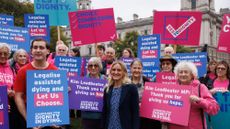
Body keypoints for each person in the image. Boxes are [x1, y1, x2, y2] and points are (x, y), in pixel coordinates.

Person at [14, 39, 60, 129]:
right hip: (29, 115)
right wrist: (28, 119)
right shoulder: (23, 71)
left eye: (41, 47)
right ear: (31, 51)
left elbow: (58, 97)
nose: (38, 50)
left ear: (48, 51)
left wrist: (56, 119)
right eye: (35, 47)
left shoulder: (55, 71)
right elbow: (18, 96)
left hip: (50, 117)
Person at [168, 61, 219, 129]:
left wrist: (199, 100)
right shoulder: (172, 88)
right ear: (177, 75)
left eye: (186, 72)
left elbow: (214, 108)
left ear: (192, 75)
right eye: (181, 72)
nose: (183, 74)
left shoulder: (200, 87)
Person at [102, 61, 139, 129]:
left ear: (124, 72)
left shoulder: (131, 88)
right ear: (110, 72)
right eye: (113, 70)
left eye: (119, 70)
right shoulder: (107, 89)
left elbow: (135, 113)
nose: (116, 72)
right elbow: (105, 112)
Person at [130, 59, 161, 129]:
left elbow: (152, 100)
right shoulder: (126, 82)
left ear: (142, 69)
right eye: (134, 68)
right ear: (131, 68)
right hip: (130, 116)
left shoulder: (148, 82)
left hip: (144, 118)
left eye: (139, 68)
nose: (136, 70)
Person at [81, 57, 106, 129]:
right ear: (88, 68)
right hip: (87, 116)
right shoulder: (82, 81)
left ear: (99, 67)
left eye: (96, 65)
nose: (93, 67)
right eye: (90, 65)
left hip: (101, 115)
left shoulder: (105, 79)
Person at [0, 43, 19, 129]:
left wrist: (13, 91)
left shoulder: (11, 69)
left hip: (9, 109)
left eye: (5, 53)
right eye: (0, 53)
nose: (3, 56)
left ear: (9, 54)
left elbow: (15, 85)